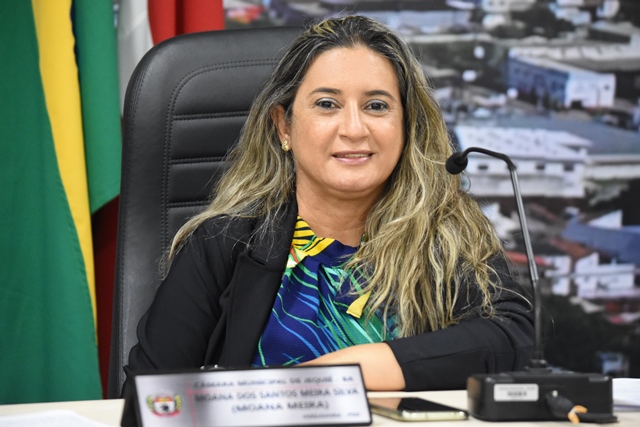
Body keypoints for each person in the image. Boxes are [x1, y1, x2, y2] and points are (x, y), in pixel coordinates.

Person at [125, 15, 534, 393]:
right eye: (327, 104)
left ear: (407, 125)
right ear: (284, 126)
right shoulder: (224, 243)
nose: (354, 129)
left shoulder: (446, 234)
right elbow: (149, 398)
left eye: (376, 106)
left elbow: (510, 338)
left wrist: (343, 372)